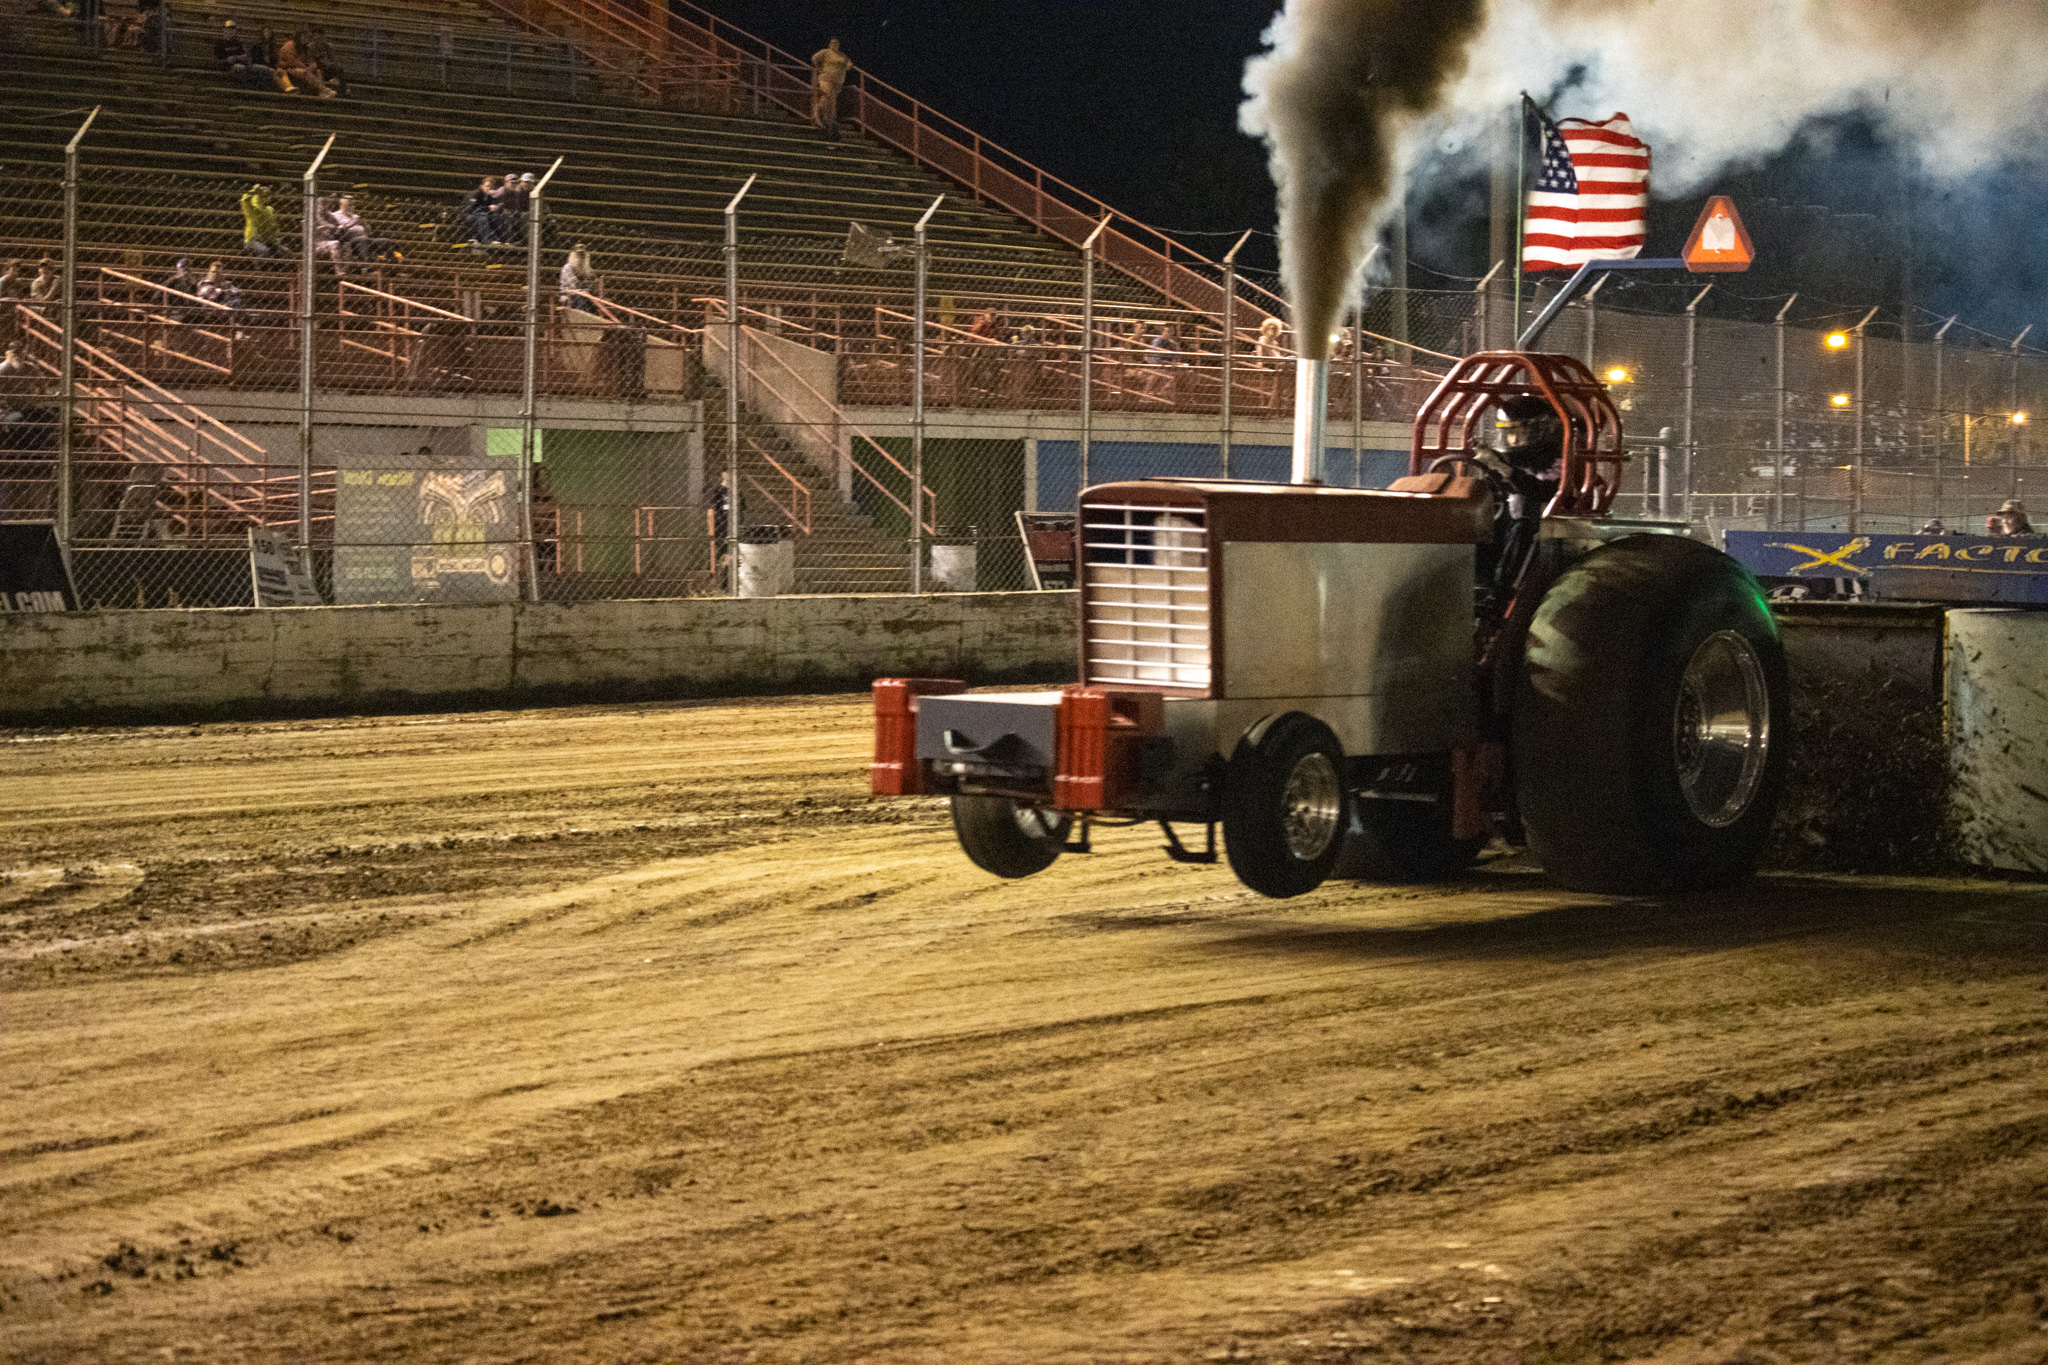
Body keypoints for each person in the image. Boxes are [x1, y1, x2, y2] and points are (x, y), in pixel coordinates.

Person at [214, 18, 287, 92]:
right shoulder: (219, 43)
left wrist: (236, 58)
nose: (231, 31)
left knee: (267, 69)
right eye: (229, 29)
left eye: (233, 29)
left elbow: (245, 56)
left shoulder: (238, 43)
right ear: (224, 30)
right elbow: (220, 60)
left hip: (246, 65)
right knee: (241, 68)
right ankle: (249, 91)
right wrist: (231, 60)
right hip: (230, 67)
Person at [811, 37, 851, 138]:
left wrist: (848, 66)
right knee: (829, 97)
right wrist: (819, 68)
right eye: (833, 43)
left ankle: (824, 119)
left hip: (837, 82)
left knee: (830, 101)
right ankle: (822, 118)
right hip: (826, 79)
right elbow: (814, 58)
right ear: (829, 44)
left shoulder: (842, 55)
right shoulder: (825, 52)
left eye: (837, 43)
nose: (835, 44)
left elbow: (848, 64)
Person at [277, 30, 336, 98]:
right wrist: (305, 67)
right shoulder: (289, 45)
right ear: (298, 37)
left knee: (318, 71)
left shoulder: (305, 47)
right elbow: (291, 61)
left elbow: (310, 60)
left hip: (301, 67)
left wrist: (312, 66)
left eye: (306, 37)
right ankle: (323, 89)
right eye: (303, 37)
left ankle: (321, 92)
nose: (305, 39)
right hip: (288, 68)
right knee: (305, 72)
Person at [240, 184, 281, 256]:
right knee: (266, 252)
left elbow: (272, 225)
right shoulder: (252, 208)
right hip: (252, 240)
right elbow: (244, 200)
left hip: (265, 239)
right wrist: (254, 191)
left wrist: (274, 238)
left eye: (268, 195)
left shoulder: (269, 209)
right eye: (263, 196)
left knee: (285, 252)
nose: (266, 198)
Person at [461, 176, 503, 246]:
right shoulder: (475, 194)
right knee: (482, 217)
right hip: (467, 214)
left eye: (491, 187)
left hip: (480, 213)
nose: (489, 188)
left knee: (494, 216)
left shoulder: (488, 196)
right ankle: (487, 240)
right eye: (487, 186)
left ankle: (498, 238)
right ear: (482, 186)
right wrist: (488, 208)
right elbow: (471, 208)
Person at [306, 26, 346, 97]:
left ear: (323, 36)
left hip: (328, 67)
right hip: (318, 67)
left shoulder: (328, 46)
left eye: (320, 36)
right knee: (318, 70)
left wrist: (331, 64)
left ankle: (344, 90)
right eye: (315, 36)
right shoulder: (310, 46)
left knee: (339, 68)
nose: (317, 38)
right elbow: (310, 60)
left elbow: (334, 58)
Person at [559, 244, 598, 312]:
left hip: (584, 294)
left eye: (582, 255)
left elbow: (593, 284)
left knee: (586, 298)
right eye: (578, 255)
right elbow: (574, 285)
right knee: (582, 296)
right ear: (573, 255)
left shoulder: (587, 268)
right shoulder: (567, 267)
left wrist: (587, 289)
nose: (580, 257)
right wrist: (586, 288)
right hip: (569, 295)